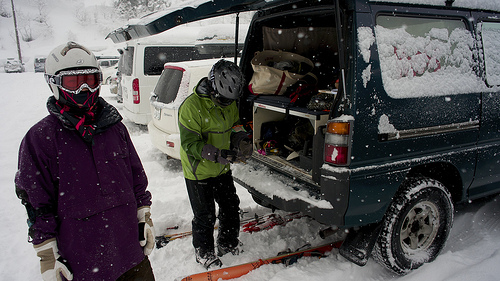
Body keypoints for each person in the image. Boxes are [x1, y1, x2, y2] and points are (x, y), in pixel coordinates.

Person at [15, 41, 155, 281]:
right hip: (83, 264)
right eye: (73, 81)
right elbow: (37, 202)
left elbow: (136, 178)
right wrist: (47, 253)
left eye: (90, 80)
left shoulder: (115, 128)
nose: (84, 89)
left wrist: (144, 215)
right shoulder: (40, 138)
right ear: (54, 83)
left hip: (131, 254)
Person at [178, 59, 252, 269]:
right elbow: (190, 143)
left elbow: (235, 124)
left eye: (231, 100)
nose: (227, 104)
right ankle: (204, 251)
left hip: (222, 168)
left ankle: (227, 243)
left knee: (230, 206)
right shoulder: (191, 107)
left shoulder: (229, 103)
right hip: (198, 171)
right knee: (205, 215)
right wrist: (215, 154)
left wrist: (241, 140)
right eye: (223, 99)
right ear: (212, 87)